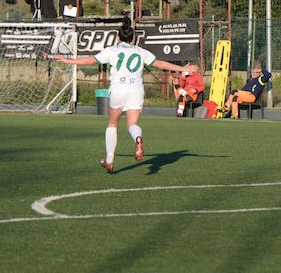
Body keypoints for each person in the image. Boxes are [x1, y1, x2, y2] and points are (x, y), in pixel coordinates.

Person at [54, 17, 198, 172]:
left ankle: (109, 160)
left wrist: (69, 61)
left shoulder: (112, 50)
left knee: (112, 123)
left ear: (117, 37)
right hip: (136, 90)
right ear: (133, 38)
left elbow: (91, 60)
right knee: (132, 124)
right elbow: (160, 64)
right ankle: (137, 138)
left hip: (118, 90)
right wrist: (184, 69)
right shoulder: (140, 51)